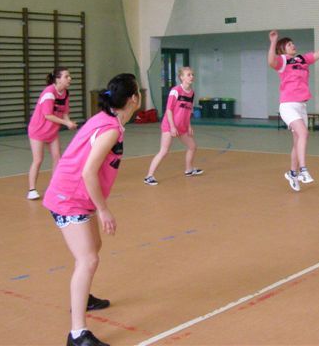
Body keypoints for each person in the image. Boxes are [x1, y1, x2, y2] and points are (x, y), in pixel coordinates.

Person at [43, 73, 141, 346]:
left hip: (78, 195)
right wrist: (103, 209)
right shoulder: (110, 129)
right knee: (88, 259)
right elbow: (88, 172)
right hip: (69, 197)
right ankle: (77, 334)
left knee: (93, 246)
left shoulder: (107, 120)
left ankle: (82, 296)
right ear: (134, 99)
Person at [268, 27, 319, 192]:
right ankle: (303, 170)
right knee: (304, 133)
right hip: (288, 105)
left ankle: (292, 173)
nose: (293, 45)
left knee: (298, 141)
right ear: (282, 49)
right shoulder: (283, 61)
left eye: (293, 43)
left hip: (301, 106)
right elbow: (271, 62)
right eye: (289, 44)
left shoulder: (303, 59)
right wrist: (273, 41)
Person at [144, 67, 203, 185]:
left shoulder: (191, 93)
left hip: (182, 127)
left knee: (192, 146)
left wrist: (189, 126)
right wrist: (172, 126)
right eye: (188, 74)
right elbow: (169, 109)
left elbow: (188, 111)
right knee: (164, 151)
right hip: (169, 125)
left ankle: (189, 169)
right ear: (181, 77)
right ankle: (149, 176)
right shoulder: (175, 91)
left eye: (192, 74)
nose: (191, 76)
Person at [27, 67, 77, 200]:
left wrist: (69, 122)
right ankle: (32, 189)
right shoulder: (49, 93)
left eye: (69, 76)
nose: (70, 79)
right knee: (38, 159)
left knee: (57, 157)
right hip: (38, 130)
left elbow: (65, 112)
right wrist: (66, 123)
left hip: (52, 131)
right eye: (66, 76)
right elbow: (48, 115)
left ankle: (54, 186)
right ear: (58, 79)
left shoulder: (65, 93)